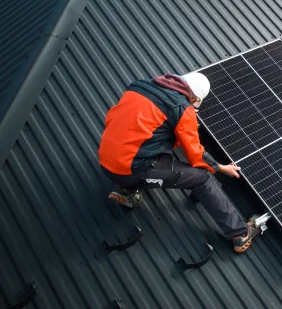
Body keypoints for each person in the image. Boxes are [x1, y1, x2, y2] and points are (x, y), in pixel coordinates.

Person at [98, 71, 261, 253]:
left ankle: (124, 191)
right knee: (203, 178)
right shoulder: (181, 109)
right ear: (195, 97)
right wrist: (220, 167)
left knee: (151, 153)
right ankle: (239, 233)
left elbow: (118, 120)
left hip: (105, 157)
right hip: (130, 170)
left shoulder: (139, 86)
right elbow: (195, 155)